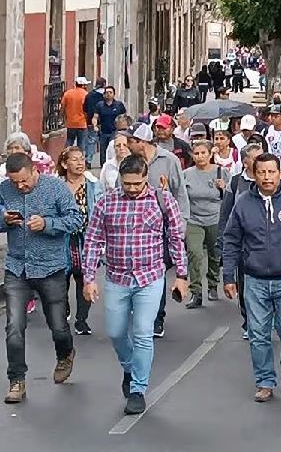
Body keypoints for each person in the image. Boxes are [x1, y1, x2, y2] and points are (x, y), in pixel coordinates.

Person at [81, 154, 189, 415]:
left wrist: (182, 276)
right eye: (126, 184)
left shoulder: (162, 201)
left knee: (143, 333)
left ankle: (138, 389)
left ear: (145, 178)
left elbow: (176, 238)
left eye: (136, 184)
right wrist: (89, 278)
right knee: (116, 332)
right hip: (116, 278)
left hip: (150, 278)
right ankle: (130, 367)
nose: (131, 189)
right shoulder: (107, 202)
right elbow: (93, 240)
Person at [222, 153, 281, 403]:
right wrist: (229, 276)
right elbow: (231, 239)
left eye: (271, 172)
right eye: (261, 172)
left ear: (280, 173)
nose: (266, 177)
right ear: (254, 173)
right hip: (254, 279)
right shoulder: (243, 201)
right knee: (258, 333)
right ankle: (264, 380)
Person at [0, 152, 84, 404]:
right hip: (17, 267)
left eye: (24, 181)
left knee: (57, 325)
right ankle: (17, 380)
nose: (20, 186)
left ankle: (65, 353)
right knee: (14, 326)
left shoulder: (56, 187)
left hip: (50, 268)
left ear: (34, 170)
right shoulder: (4, 189)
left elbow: (76, 219)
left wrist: (47, 224)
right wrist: (4, 219)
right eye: (15, 182)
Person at [126, 123, 189, 337]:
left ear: (140, 142)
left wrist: (181, 224)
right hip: (134, 227)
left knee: (157, 272)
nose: (126, 144)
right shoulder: (130, 163)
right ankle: (139, 309)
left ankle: (156, 317)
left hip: (162, 225)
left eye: (130, 141)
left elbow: (180, 193)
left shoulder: (168, 160)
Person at [219, 143, 265, 340]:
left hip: (269, 243)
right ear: (245, 161)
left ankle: (266, 319)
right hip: (244, 244)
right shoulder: (237, 182)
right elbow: (226, 212)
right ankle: (249, 321)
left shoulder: (273, 179)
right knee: (245, 286)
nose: (260, 162)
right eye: (255, 158)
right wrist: (222, 242)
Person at [57, 146, 101, 336]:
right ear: (65, 164)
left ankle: (81, 320)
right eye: (74, 160)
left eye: (82, 159)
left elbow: (99, 211)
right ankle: (63, 308)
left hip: (86, 239)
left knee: (86, 279)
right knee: (60, 280)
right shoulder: (57, 185)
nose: (80, 163)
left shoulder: (92, 184)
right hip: (61, 240)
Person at [183, 140, 229, 309]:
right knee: (194, 254)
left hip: (215, 218)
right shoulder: (186, 174)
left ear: (210, 155)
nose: (200, 157)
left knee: (215, 254)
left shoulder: (221, 172)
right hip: (193, 219)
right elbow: (181, 195)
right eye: (197, 153)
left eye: (203, 153)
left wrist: (224, 188)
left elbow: (231, 196)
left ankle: (212, 284)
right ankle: (195, 292)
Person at [89, 86, 127, 168]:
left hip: (115, 131)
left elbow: (124, 117)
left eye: (110, 92)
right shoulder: (100, 105)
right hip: (103, 131)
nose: (108, 94)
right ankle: (104, 166)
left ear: (114, 94)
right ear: (104, 94)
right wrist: (94, 125)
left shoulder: (119, 105)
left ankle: (114, 165)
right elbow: (95, 117)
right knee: (103, 150)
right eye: (106, 93)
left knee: (113, 148)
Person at [61, 76, 92, 150]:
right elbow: (88, 110)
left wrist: (63, 117)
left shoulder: (68, 93)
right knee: (81, 144)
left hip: (70, 123)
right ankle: (80, 159)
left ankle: (65, 157)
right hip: (82, 123)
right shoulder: (86, 95)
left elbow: (62, 107)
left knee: (69, 141)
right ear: (83, 85)